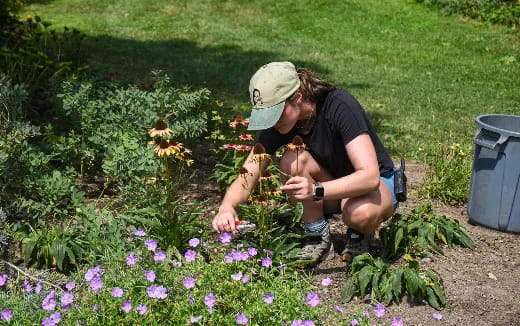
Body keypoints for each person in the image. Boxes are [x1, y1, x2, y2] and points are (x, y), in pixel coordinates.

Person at [212, 61, 398, 262]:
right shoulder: (278, 123)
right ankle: (316, 235)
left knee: (360, 213)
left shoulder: (339, 106)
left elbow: (369, 177)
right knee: (294, 160)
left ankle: (359, 234)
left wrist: (316, 189)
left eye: (275, 113)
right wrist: (227, 207)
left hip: (376, 185)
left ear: (298, 98)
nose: (272, 122)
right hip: (332, 188)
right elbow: (250, 170)